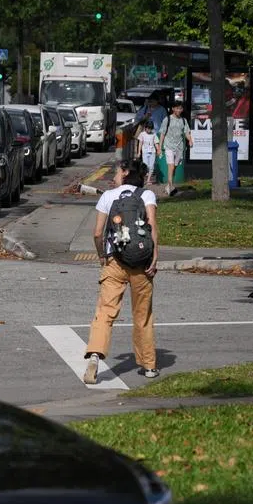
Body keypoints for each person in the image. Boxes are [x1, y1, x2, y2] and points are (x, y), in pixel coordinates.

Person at [82, 160, 160, 383]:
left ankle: (95, 355)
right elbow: (152, 225)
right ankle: (149, 365)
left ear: (126, 173)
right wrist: (155, 256)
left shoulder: (108, 196)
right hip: (142, 263)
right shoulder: (146, 195)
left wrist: (101, 256)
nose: (114, 176)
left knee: (105, 312)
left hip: (114, 261)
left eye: (117, 172)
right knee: (142, 315)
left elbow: (98, 233)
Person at [157, 103, 191, 196]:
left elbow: (186, 132)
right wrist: (159, 147)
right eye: (177, 108)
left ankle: (168, 185)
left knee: (174, 167)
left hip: (179, 147)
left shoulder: (183, 120)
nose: (179, 110)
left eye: (180, 108)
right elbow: (162, 133)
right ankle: (171, 187)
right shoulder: (167, 119)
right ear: (173, 109)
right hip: (169, 146)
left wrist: (190, 140)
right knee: (171, 166)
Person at [135, 117, 158, 185]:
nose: (149, 130)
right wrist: (139, 152)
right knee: (145, 165)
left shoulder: (154, 134)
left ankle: (148, 180)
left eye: (150, 128)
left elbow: (156, 143)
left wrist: (158, 150)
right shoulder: (142, 134)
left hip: (152, 152)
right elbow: (140, 143)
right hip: (145, 151)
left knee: (151, 166)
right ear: (145, 128)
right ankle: (142, 178)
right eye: (148, 128)